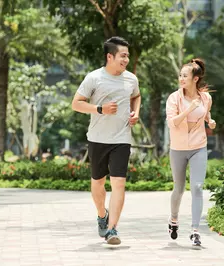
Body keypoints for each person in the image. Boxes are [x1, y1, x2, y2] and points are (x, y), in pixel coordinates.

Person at [71, 36, 141, 245]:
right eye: (122, 56)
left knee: (119, 183)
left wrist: (135, 113)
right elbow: (76, 104)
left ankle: (112, 229)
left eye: (127, 56)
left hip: (122, 138)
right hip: (98, 139)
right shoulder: (94, 78)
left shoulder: (131, 79)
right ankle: (102, 214)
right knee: (98, 183)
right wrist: (100, 109)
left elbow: (136, 96)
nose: (126, 60)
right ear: (109, 56)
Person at [165, 58, 216, 246]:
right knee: (178, 189)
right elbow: (172, 123)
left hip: (198, 147)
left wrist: (210, 121)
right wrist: (189, 109)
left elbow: (205, 113)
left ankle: (195, 231)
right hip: (178, 148)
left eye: (184, 75)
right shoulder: (174, 98)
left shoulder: (206, 98)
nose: (181, 78)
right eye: (180, 75)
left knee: (197, 187)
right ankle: (173, 220)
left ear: (195, 79)